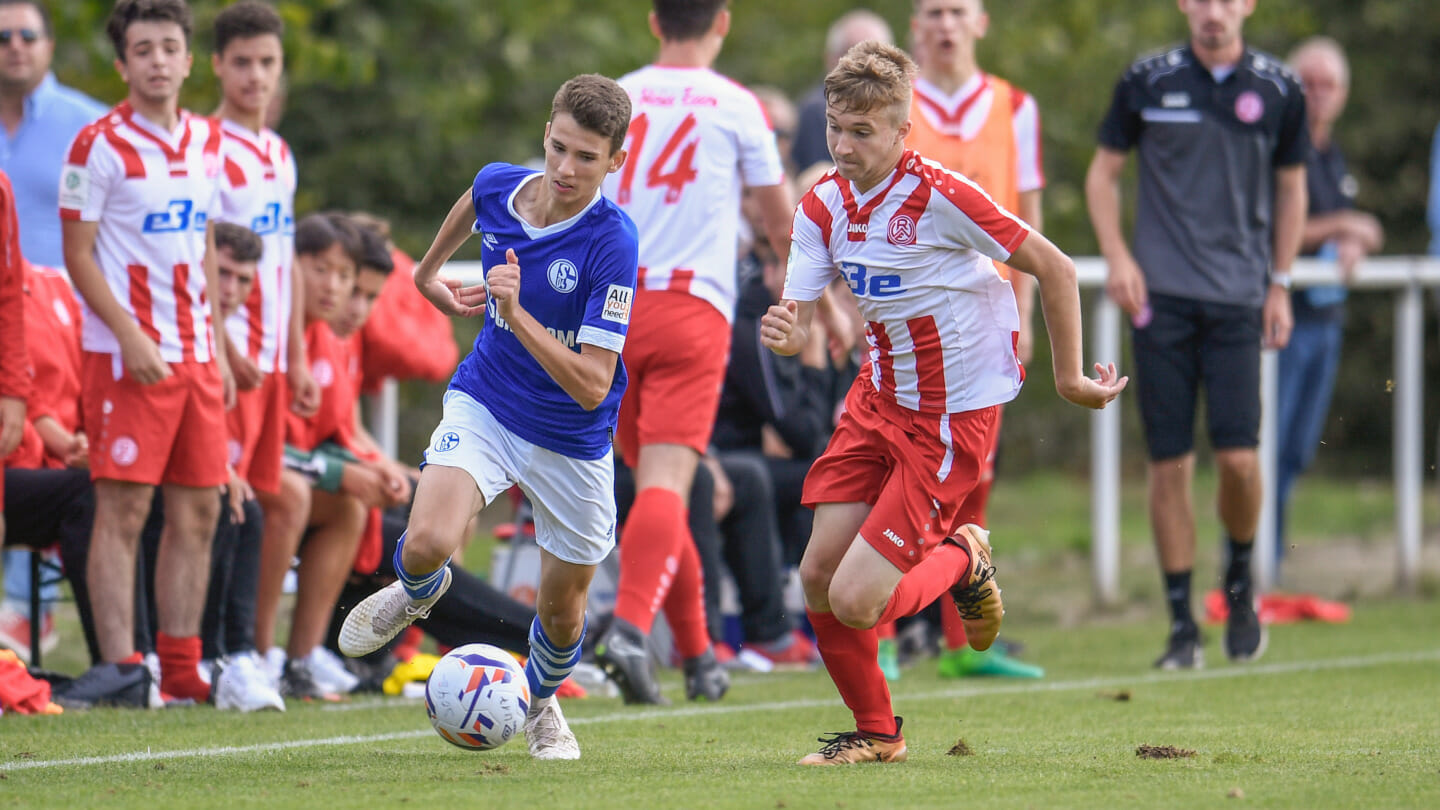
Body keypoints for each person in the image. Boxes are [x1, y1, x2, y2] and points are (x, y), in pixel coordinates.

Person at [763, 41, 1125, 765]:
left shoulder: (941, 195)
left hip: (952, 418)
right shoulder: (822, 204)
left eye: (862, 131)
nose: (843, 144)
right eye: (836, 126)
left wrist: (1069, 379)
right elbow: (797, 312)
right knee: (816, 582)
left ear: (903, 132)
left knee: (860, 600)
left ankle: (963, 555)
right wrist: (786, 331)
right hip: (875, 402)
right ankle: (878, 735)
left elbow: (1053, 265)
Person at [339, 74, 639, 761]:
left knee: (562, 614)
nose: (567, 168)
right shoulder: (500, 184)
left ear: (615, 162)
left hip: (572, 437)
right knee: (425, 543)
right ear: (546, 133)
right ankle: (416, 593)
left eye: (587, 158)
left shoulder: (613, 242)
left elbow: (594, 385)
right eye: (559, 147)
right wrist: (425, 275)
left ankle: (540, 704)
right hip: (490, 401)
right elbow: (473, 203)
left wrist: (517, 313)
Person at [1084, 0, 1308, 670]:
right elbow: (1103, 175)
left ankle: (1239, 581)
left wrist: (1281, 282)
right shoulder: (1146, 81)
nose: (1214, 11)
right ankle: (1182, 625)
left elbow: (1292, 188)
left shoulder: (1278, 88)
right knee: (1169, 465)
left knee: (1240, 460)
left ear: (1248, 5)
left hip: (1240, 298)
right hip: (1163, 302)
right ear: (1185, 5)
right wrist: (1120, 258)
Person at [595, 0, 792, 706]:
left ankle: (700, 654)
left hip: (611, 313)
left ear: (654, 21)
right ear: (724, 21)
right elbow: (778, 220)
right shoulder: (737, 105)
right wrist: (820, 302)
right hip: (691, 307)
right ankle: (627, 630)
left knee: (658, 487)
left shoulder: (616, 94)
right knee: (666, 486)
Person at [56, 0, 234, 706]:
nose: (158, 60)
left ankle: (182, 668)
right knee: (123, 510)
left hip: (196, 358)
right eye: (143, 49)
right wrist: (130, 334)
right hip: (127, 356)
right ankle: (124, 665)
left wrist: (218, 345)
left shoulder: (208, 140)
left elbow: (208, 246)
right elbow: (77, 255)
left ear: (189, 60)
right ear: (122, 63)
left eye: (169, 47)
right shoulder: (95, 144)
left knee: (198, 513)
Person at [902, 0, 1046, 680]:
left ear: (981, 22)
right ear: (914, 27)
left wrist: (1026, 311)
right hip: (912, 321)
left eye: (958, 10)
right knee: (899, 471)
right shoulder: (898, 103)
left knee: (973, 479)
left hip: (987, 318)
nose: (946, 24)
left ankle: (962, 643)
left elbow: (1028, 215)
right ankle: (882, 631)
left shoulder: (1016, 106)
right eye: (933, 11)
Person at [0, 0, 106, 655]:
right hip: (10, 315)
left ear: (49, 42)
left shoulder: (86, 125)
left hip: (68, 316)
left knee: (63, 449)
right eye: (1, 36)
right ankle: (18, 612)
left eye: (26, 34)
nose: (14, 45)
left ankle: (27, 610)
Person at [1274, 37, 1381, 573]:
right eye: (1307, 83)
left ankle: (1269, 562)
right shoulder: (1280, 147)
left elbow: (1362, 227)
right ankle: (1252, 568)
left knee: (1296, 451)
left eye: (1328, 85)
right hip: (1285, 319)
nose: (1317, 95)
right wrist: (1343, 226)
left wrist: (1356, 237)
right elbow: (1279, 230)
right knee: (1267, 449)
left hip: (1327, 320)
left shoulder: (1332, 155)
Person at [792, 9, 894, 175]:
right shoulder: (817, 111)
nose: (865, 65)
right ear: (830, 58)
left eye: (875, 55)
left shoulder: (907, 106)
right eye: (854, 54)